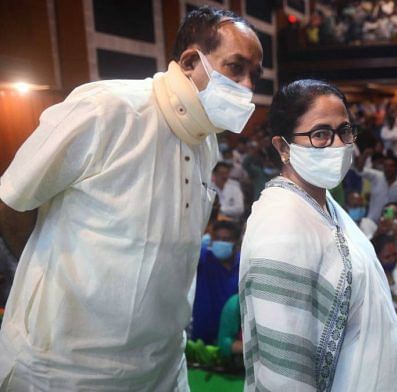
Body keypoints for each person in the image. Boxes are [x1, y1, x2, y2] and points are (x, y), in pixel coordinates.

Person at [0, 7, 261, 390]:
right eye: (236, 67)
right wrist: (47, 269)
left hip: (162, 364)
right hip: (65, 367)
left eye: (254, 73)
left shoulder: (207, 142)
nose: (249, 85)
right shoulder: (106, 109)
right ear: (190, 61)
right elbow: (11, 202)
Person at [240, 79, 397, 391]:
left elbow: (360, 305)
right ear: (282, 147)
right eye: (320, 134)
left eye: (344, 131)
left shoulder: (325, 203)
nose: (338, 145)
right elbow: (284, 369)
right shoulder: (280, 223)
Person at [191, 221, 241, 344]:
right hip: (201, 334)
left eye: (226, 239)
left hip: (230, 337)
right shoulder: (204, 258)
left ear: (236, 242)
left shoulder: (242, 264)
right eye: (217, 238)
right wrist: (195, 245)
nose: (220, 242)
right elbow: (184, 254)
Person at [354, 152, 397, 223]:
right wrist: (365, 154)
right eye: (386, 166)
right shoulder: (377, 176)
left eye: (391, 166)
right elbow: (359, 170)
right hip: (371, 220)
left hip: (389, 222)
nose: (388, 168)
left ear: (396, 167)